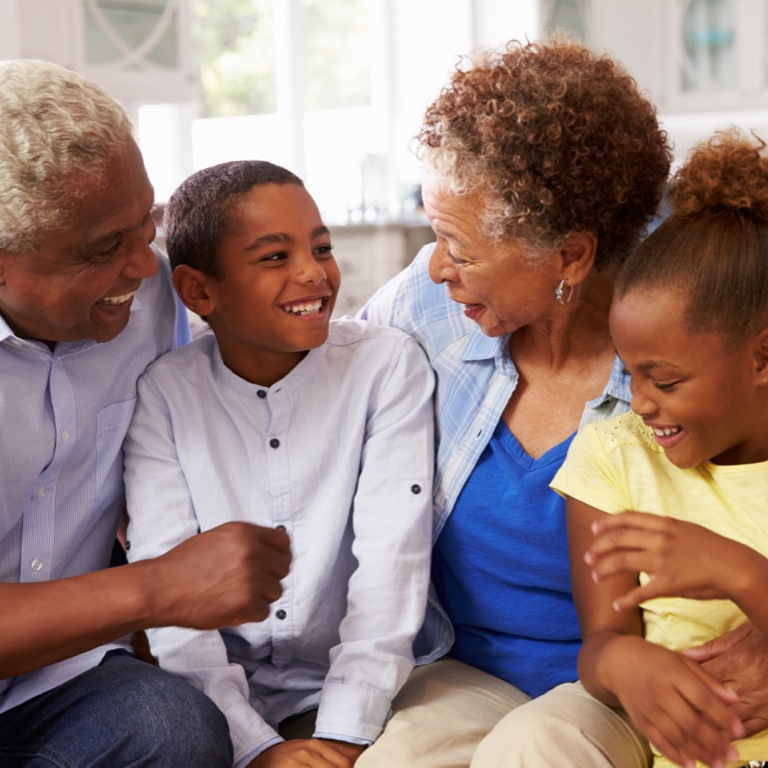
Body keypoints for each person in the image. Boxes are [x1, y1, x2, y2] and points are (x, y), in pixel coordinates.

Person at [355, 38, 768, 768]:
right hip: (465, 669)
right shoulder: (425, 306)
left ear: (570, 258)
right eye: (433, 234)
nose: (437, 266)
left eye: (459, 244)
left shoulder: (679, 340)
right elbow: (312, 396)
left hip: (612, 696)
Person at [0, 60, 291, 767]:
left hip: (55, 679)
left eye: (147, 222)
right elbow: (162, 584)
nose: (142, 264)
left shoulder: (150, 297)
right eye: (105, 248)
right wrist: (159, 587)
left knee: (175, 729)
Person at [122, 160, 435, 768]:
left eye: (322, 247)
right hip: (213, 705)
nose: (313, 274)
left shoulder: (385, 367)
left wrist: (343, 736)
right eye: (273, 257)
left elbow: (391, 567)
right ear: (198, 291)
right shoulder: (163, 394)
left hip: (366, 688)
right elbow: (172, 599)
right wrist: (255, 748)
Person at [554, 129, 768, 768]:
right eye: (630, 371)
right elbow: (602, 642)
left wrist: (739, 571)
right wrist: (623, 663)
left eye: (666, 380)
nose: (639, 402)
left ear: (763, 356)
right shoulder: (613, 456)